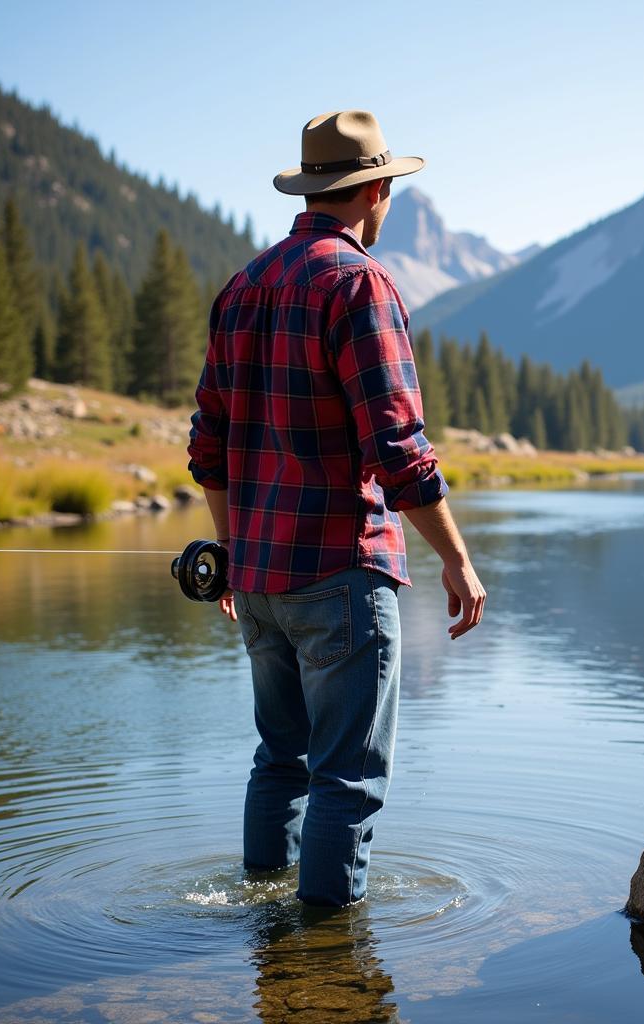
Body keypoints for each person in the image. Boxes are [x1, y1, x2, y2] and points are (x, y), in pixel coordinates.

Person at [186, 109, 486, 907]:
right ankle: (326, 958)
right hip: (339, 576)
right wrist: (456, 558)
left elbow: (206, 446)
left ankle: (261, 932)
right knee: (344, 783)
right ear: (378, 188)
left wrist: (232, 553)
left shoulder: (242, 284)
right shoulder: (360, 282)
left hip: (257, 579)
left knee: (279, 762)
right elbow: (398, 446)